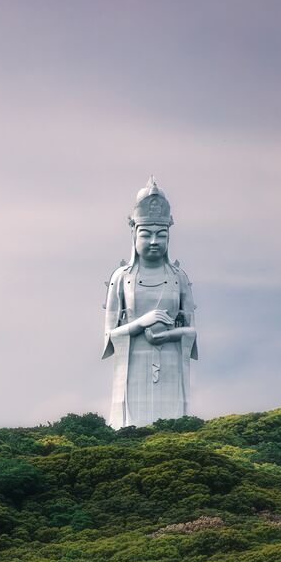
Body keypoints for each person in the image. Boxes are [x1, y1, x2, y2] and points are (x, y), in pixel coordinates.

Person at [102, 176, 198, 427]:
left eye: (161, 235)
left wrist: (169, 335)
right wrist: (141, 323)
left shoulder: (179, 277)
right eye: (146, 235)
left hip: (171, 363)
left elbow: (191, 332)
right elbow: (110, 336)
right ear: (134, 234)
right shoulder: (122, 278)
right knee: (130, 424)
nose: (154, 241)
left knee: (173, 424)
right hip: (134, 361)